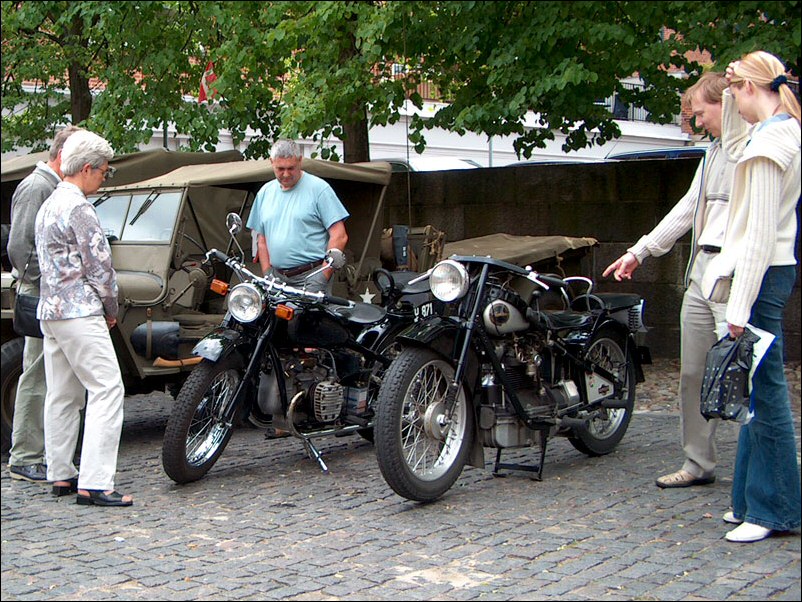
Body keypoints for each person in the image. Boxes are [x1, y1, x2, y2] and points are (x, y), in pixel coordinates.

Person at [602, 72, 748, 489]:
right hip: (702, 272)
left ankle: (754, 480)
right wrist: (640, 251)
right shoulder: (712, 152)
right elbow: (686, 209)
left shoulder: (748, 149)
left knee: (744, 375)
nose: (697, 123)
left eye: (701, 113)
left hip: (734, 273)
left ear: (727, 104)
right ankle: (698, 462)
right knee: (693, 374)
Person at [704, 51, 800, 543]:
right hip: (769, 271)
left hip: (762, 273)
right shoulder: (775, 132)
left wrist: (738, 309)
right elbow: (735, 139)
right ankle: (750, 501)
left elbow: (759, 236)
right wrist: (731, 89)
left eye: (735, 91)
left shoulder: (772, 141)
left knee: (766, 393)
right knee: (756, 391)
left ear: (749, 89)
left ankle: (774, 509)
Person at [35, 129, 132, 507]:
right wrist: (111, 308)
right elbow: (101, 267)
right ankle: (95, 481)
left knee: (62, 393)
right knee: (108, 389)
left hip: (51, 310)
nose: (104, 178)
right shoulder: (80, 209)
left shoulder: (49, 204)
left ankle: (60, 472)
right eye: (104, 171)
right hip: (79, 310)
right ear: (87, 168)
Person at [6, 126, 81, 483]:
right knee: (37, 373)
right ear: (65, 155)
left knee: (49, 374)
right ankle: (25, 455)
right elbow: (19, 249)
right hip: (41, 293)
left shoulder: (48, 186)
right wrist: (53, 279)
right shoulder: (37, 187)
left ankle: (39, 454)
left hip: (48, 292)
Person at [246, 139, 349, 294]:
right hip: (277, 278)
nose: (286, 174)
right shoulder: (265, 193)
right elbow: (262, 239)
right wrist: (267, 273)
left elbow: (339, 236)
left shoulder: (319, 189)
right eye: (280, 169)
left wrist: (322, 276)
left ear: (300, 161)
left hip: (311, 275)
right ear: (271, 162)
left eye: (291, 168)